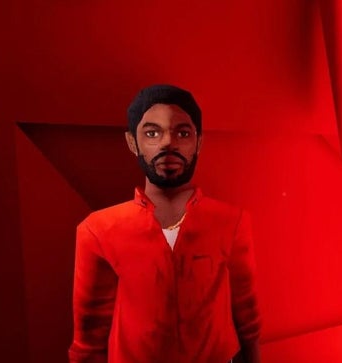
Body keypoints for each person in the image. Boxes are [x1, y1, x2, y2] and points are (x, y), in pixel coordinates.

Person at [68, 84, 262, 363]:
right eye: (152, 132)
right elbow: (88, 338)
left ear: (199, 141)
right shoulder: (98, 230)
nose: (168, 142)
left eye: (182, 133)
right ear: (132, 141)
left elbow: (247, 317)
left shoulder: (232, 222)